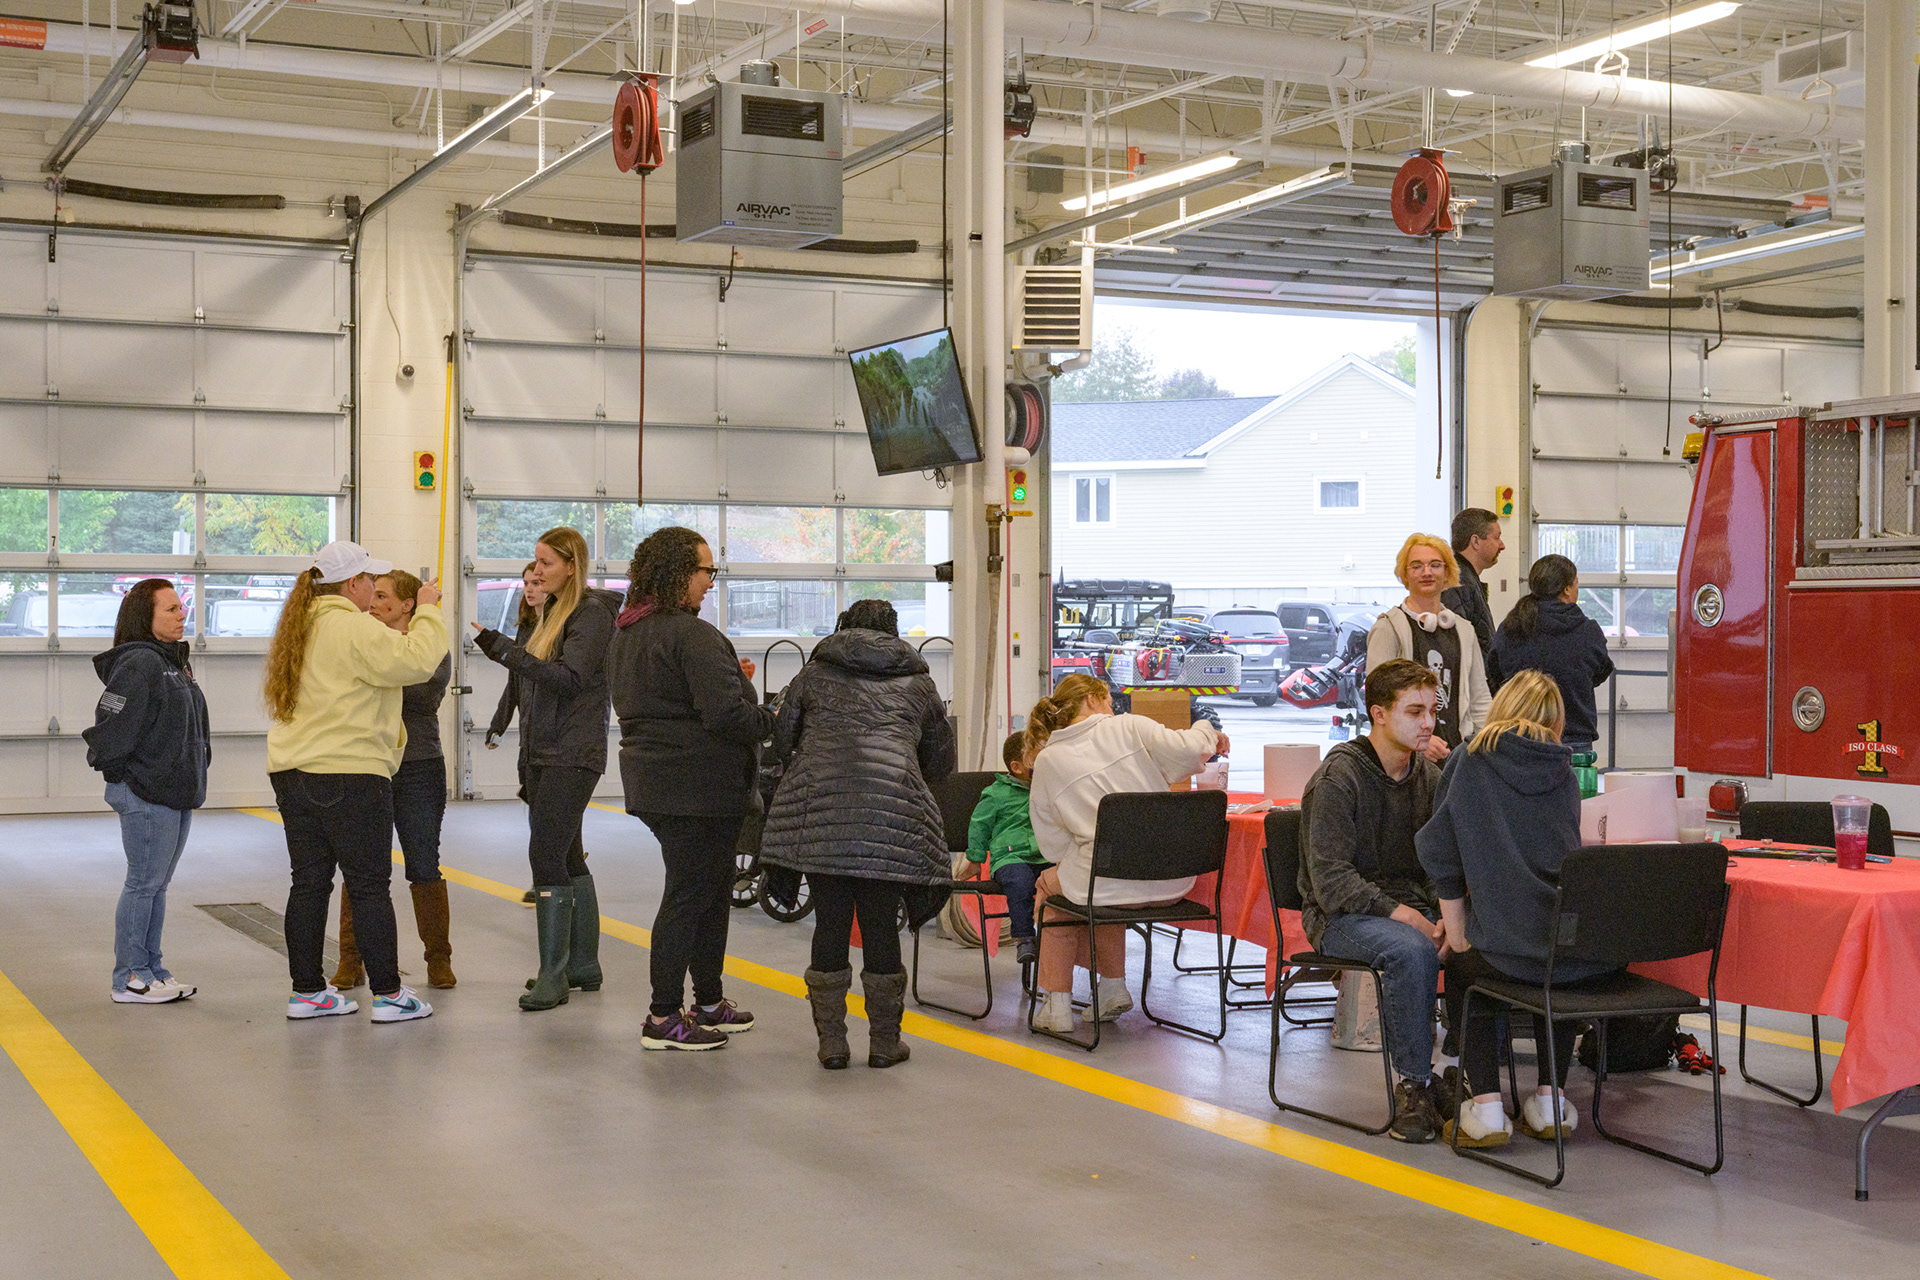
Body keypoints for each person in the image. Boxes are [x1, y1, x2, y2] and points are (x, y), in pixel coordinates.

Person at [1417, 670, 1622, 1147]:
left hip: (1502, 950)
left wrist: (1459, 935)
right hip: (1568, 950)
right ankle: (1551, 1103)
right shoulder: (1567, 771)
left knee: (1469, 975)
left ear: (1503, 706)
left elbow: (1440, 855)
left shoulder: (1469, 760)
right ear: (1556, 721)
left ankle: (1487, 1110)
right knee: (1561, 972)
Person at [763, 598, 956, 1069]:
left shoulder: (812, 674)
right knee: (878, 923)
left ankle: (832, 1044)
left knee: (829, 922)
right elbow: (940, 762)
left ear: (844, 626)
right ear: (892, 633)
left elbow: (780, 739)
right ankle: (885, 1043)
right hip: (891, 815)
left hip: (822, 811)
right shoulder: (920, 683)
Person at [264, 541, 445, 1024]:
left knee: (308, 884)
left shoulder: (298, 627)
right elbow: (416, 661)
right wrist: (427, 612)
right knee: (368, 886)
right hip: (349, 771)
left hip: (291, 771)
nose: (374, 588)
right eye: (370, 580)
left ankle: (308, 992)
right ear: (352, 585)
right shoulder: (354, 627)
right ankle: (388, 995)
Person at [607, 525, 774, 1051]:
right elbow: (727, 717)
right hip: (698, 788)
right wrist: (773, 717)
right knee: (688, 896)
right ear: (680, 573)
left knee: (706, 895)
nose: (710, 581)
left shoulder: (629, 632)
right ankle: (662, 1016)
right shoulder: (691, 634)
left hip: (660, 784)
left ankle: (707, 999)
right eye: (706, 571)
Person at [471, 527, 621, 1013]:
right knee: (569, 855)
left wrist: (503, 650)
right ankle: (581, 965)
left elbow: (569, 680)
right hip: (544, 751)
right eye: (534, 562)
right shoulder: (551, 612)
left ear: (572, 565)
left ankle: (555, 976)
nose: (536, 571)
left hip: (571, 753)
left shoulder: (591, 616)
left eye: (546, 564)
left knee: (546, 856)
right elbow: (530, 684)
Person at [1025, 673, 1225, 1034]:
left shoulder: (1049, 761)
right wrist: (1205, 726)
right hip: (1174, 880)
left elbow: (1052, 847)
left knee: (1054, 889)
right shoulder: (1131, 728)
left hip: (1105, 884)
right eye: (1107, 700)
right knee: (1099, 881)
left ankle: (1056, 1004)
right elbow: (1192, 750)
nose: (1112, 709)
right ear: (1091, 699)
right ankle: (1112, 987)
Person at [1297, 658, 1446, 1143]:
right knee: (1410, 949)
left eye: (1433, 710)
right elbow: (1333, 882)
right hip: (1341, 916)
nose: (1428, 723)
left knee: (1480, 938)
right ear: (1378, 714)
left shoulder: (1427, 777)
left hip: (1407, 910)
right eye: (1415, 711)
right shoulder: (1340, 777)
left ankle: (1466, 1073)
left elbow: (1436, 864)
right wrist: (1411, 919)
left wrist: (1444, 917)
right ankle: (1413, 1086)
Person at [83, 578, 209, 1005]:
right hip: (147, 794)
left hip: (174, 792)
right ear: (146, 617)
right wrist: (131, 780)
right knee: (143, 883)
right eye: (171, 609)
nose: (182, 614)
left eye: (181, 607)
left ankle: (153, 969)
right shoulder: (139, 663)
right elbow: (110, 732)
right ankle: (129, 977)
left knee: (156, 885)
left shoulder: (172, 661)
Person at [330, 570, 456, 991]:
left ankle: (438, 959)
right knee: (363, 867)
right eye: (373, 593)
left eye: (383, 595)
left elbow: (418, 692)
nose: (373, 600)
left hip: (419, 765)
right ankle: (351, 958)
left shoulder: (432, 644)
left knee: (423, 863)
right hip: (372, 763)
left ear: (408, 605)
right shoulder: (364, 637)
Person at [1367, 533, 1492, 763]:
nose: (1427, 572)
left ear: (1447, 573)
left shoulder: (1464, 630)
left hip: (1457, 757)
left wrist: (1489, 747)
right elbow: (1377, 700)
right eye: (1417, 566)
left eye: (1435, 565)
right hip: (1407, 760)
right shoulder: (1388, 628)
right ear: (1405, 574)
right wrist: (1418, 742)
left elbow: (1480, 699)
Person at [1487, 554, 1613, 749]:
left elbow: (1495, 674)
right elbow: (1601, 671)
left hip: (1519, 735)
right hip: (1575, 739)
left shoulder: (1511, 627)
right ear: (1567, 589)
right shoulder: (1588, 631)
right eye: (1576, 584)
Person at [485, 562, 546, 906]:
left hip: (557, 738)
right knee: (535, 808)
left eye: (537, 582)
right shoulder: (525, 628)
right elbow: (515, 682)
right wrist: (498, 723)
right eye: (526, 583)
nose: (531, 589)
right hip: (530, 735)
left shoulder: (564, 627)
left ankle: (555, 876)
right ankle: (546, 876)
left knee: (553, 815)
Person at [965, 732, 1049, 967]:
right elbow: (979, 826)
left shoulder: (1045, 788)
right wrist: (975, 859)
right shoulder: (996, 794)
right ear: (1017, 766)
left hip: (1043, 855)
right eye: (1037, 757)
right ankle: (1024, 937)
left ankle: (1057, 939)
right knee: (1019, 882)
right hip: (1010, 856)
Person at [1441, 508, 1503, 666]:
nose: (1502, 546)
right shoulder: (1458, 583)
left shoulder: (1466, 580)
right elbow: (1459, 648)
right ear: (1475, 541)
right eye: (1497, 538)